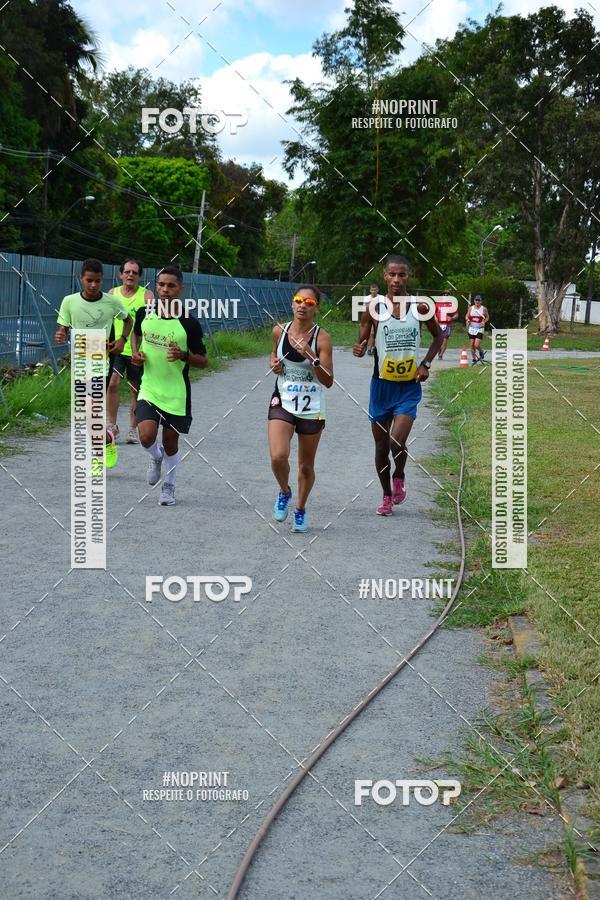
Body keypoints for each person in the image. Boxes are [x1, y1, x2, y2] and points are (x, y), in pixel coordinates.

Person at [353, 255, 442, 516]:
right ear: (384, 277)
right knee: (381, 447)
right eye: (392, 274)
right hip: (381, 386)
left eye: (401, 274)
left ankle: (400, 474)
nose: (396, 280)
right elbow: (362, 336)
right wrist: (359, 347)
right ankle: (386, 496)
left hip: (408, 386)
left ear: (408, 277)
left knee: (395, 441)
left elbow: (438, 336)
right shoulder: (373, 308)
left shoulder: (421, 307)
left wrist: (425, 363)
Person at [130, 266, 207, 506]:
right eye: (161, 285)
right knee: (145, 437)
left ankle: (169, 485)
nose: (165, 290)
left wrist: (184, 355)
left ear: (181, 289)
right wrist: (135, 353)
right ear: (156, 287)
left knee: (170, 442)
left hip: (176, 392)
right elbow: (135, 333)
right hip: (149, 387)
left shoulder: (189, 323)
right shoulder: (145, 312)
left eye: (171, 285)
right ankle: (155, 458)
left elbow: (204, 360)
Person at [55, 258, 132, 471]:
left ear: (102, 280)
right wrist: (61, 332)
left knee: (92, 411)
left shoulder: (111, 302)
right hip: (80, 360)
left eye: (97, 281)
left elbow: (128, 320)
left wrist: (122, 340)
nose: (93, 285)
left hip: (100, 360)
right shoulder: (69, 301)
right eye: (89, 280)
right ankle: (107, 439)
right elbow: (63, 325)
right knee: (88, 415)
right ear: (81, 279)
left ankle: (96, 458)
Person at [268, 285, 333, 533]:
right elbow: (274, 354)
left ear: (316, 308)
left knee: (306, 466)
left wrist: (311, 355)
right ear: (292, 304)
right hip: (283, 400)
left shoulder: (322, 338)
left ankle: (300, 509)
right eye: (298, 300)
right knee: (278, 456)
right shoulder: (279, 331)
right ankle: (284, 491)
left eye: (309, 302)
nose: (303, 305)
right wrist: (273, 362)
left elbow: (328, 380)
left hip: (311, 406)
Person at [107, 259, 154, 444]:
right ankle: (112, 426)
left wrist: (144, 350)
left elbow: (151, 325)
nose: (130, 275)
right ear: (120, 274)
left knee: (135, 390)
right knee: (112, 384)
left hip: (138, 352)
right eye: (127, 272)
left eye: (134, 272)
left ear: (139, 276)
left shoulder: (147, 296)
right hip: (116, 348)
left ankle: (133, 429)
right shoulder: (112, 294)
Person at [465, 294, 489, 364]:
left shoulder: (484, 309)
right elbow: (466, 316)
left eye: (479, 300)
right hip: (472, 328)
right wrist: (467, 319)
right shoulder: (471, 308)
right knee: (472, 344)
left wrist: (484, 321)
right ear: (474, 301)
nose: (477, 301)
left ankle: (481, 351)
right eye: (476, 300)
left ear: (481, 301)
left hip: (480, 329)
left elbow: (487, 317)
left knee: (476, 345)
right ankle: (474, 359)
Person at [435, 290, 458, 360]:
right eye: (444, 295)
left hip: (447, 324)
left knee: (445, 339)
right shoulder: (437, 304)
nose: (445, 296)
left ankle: (441, 354)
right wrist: (435, 318)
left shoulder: (451, 305)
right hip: (439, 323)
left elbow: (456, 314)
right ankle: (439, 351)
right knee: (438, 340)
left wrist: (452, 317)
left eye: (447, 295)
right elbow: (433, 312)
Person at [366, 283, 380, 355]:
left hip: (378, 317)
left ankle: (374, 348)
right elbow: (365, 308)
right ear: (370, 290)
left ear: (377, 290)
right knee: (371, 333)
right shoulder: (367, 298)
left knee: (376, 333)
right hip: (369, 317)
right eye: (372, 290)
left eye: (375, 290)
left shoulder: (381, 298)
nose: (373, 291)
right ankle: (369, 348)